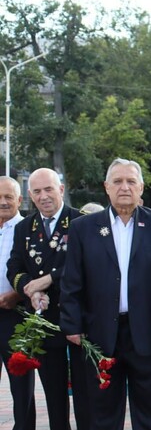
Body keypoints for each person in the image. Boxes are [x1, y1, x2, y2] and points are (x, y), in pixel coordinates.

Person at [61, 158, 151, 430]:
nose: (124, 187)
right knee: (102, 412)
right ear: (106, 187)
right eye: (117, 181)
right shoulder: (83, 227)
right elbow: (72, 281)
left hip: (148, 333)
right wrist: (73, 324)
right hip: (99, 332)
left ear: (140, 187)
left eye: (130, 181)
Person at [6, 168, 86, 430]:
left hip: (78, 322)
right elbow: (14, 266)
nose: (44, 196)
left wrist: (51, 278)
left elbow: (88, 266)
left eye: (49, 189)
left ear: (61, 189)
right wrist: (30, 287)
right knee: (54, 396)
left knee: (86, 398)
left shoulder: (82, 222)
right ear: (29, 195)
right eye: (37, 191)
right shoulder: (23, 227)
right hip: (44, 324)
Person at [0, 176, 33, 430]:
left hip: (17, 316)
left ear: (20, 199)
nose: (3, 202)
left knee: (21, 386)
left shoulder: (28, 230)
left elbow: (36, 271)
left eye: (8, 197)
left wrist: (18, 294)